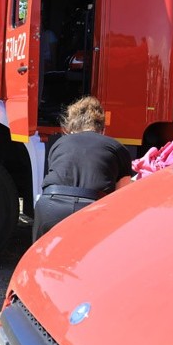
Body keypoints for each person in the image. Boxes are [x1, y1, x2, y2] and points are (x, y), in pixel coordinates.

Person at [32, 95, 133, 242]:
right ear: (102, 129)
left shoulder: (59, 144)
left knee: (42, 255)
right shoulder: (117, 148)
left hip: (50, 205)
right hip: (92, 208)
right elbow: (122, 196)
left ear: (70, 128)